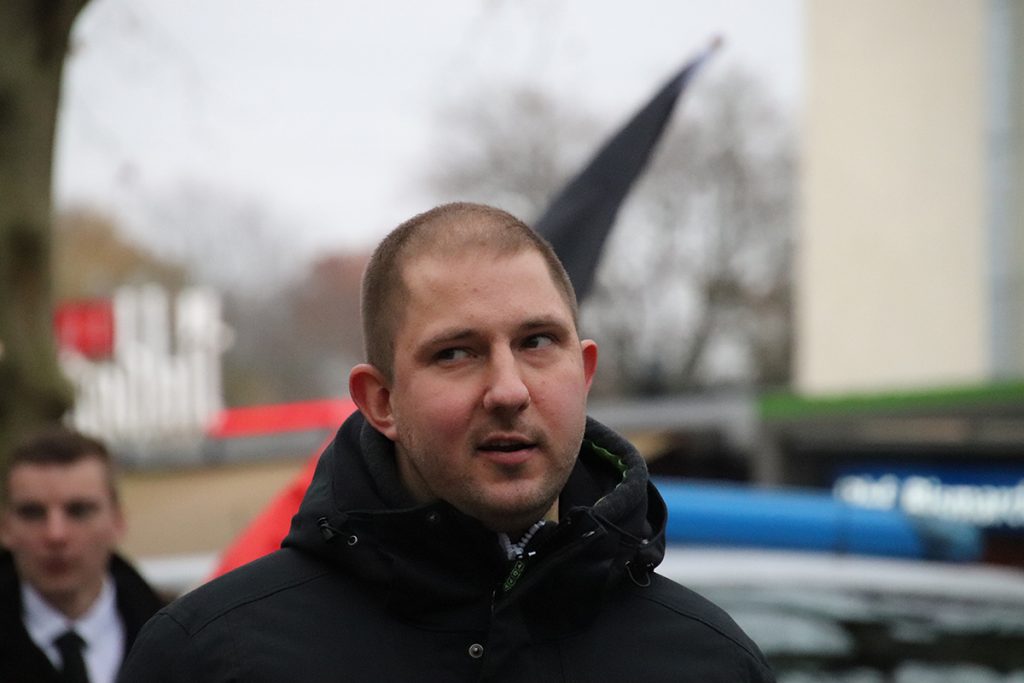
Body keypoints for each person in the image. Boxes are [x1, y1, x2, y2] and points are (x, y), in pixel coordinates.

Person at [120, 202, 775, 682]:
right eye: (456, 352)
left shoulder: (709, 662)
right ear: (381, 401)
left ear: (583, 371)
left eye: (537, 341)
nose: (508, 389)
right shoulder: (212, 657)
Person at [1, 426, 164, 683]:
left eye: (79, 511)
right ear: (5, 527)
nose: (56, 535)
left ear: (118, 521)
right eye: (32, 513)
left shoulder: (182, 641)